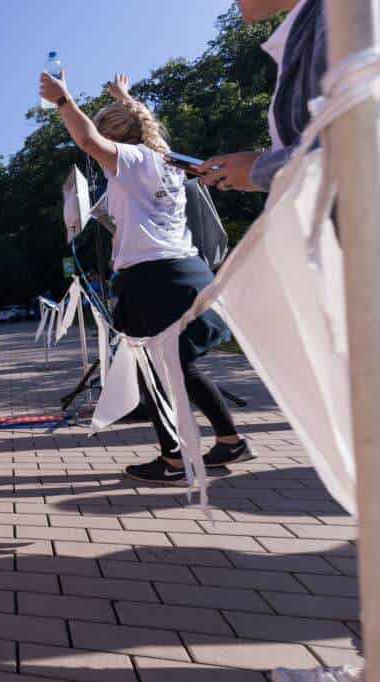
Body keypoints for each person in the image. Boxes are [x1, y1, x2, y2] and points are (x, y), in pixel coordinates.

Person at [40, 72, 255, 484]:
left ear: (117, 136)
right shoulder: (168, 160)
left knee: (153, 373)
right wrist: (127, 97)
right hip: (182, 271)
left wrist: (64, 100)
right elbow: (142, 124)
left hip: (154, 277)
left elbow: (87, 140)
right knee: (182, 367)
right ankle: (230, 441)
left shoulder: (134, 160)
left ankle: (174, 460)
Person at [196, 0, 325, 192]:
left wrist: (258, 171)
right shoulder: (316, 24)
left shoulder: (341, 16)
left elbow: (348, 145)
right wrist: (261, 163)